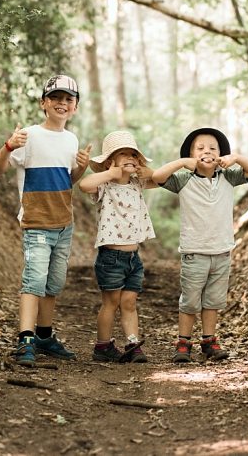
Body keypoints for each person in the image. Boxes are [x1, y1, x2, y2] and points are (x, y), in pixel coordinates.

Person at [0, 74, 91, 367]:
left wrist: (81, 169)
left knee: (54, 283)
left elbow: (68, 180)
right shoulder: (30, 135)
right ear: (43, 103)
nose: (62, 104)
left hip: (63, 223)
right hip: (36, 222)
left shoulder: (71, 139)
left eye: (68, 100)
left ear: (75, 108)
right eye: (56, 98)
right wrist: (8, 146)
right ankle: (26, 339)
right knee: (34, 280)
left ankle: (45, 336)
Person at [151, 127, 248, 362]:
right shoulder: (183, 179)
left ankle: (209, 341)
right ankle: (183, 343)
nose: (206, 152)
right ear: (191, 154)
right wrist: (182, 162)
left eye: (212, 148)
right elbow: (157, 177)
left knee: (213, 301)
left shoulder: (228, 176)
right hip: (194, 252)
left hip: (222, 251)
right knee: (190, 301)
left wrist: (236, 158)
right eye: (199, 148)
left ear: (220, 154)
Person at [78, 130, 159, 363]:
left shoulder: (137, 184)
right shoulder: (105, 186)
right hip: (110, 257)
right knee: (111, 303)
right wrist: (110, 173)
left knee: (130, 302)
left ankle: (133, 344)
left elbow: (162, 179)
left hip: (134, 257)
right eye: (122, 153)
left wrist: (148, 170)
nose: (129, 157)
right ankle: (102, 346)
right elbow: (84, 185)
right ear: (110, 161)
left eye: (133, 154)